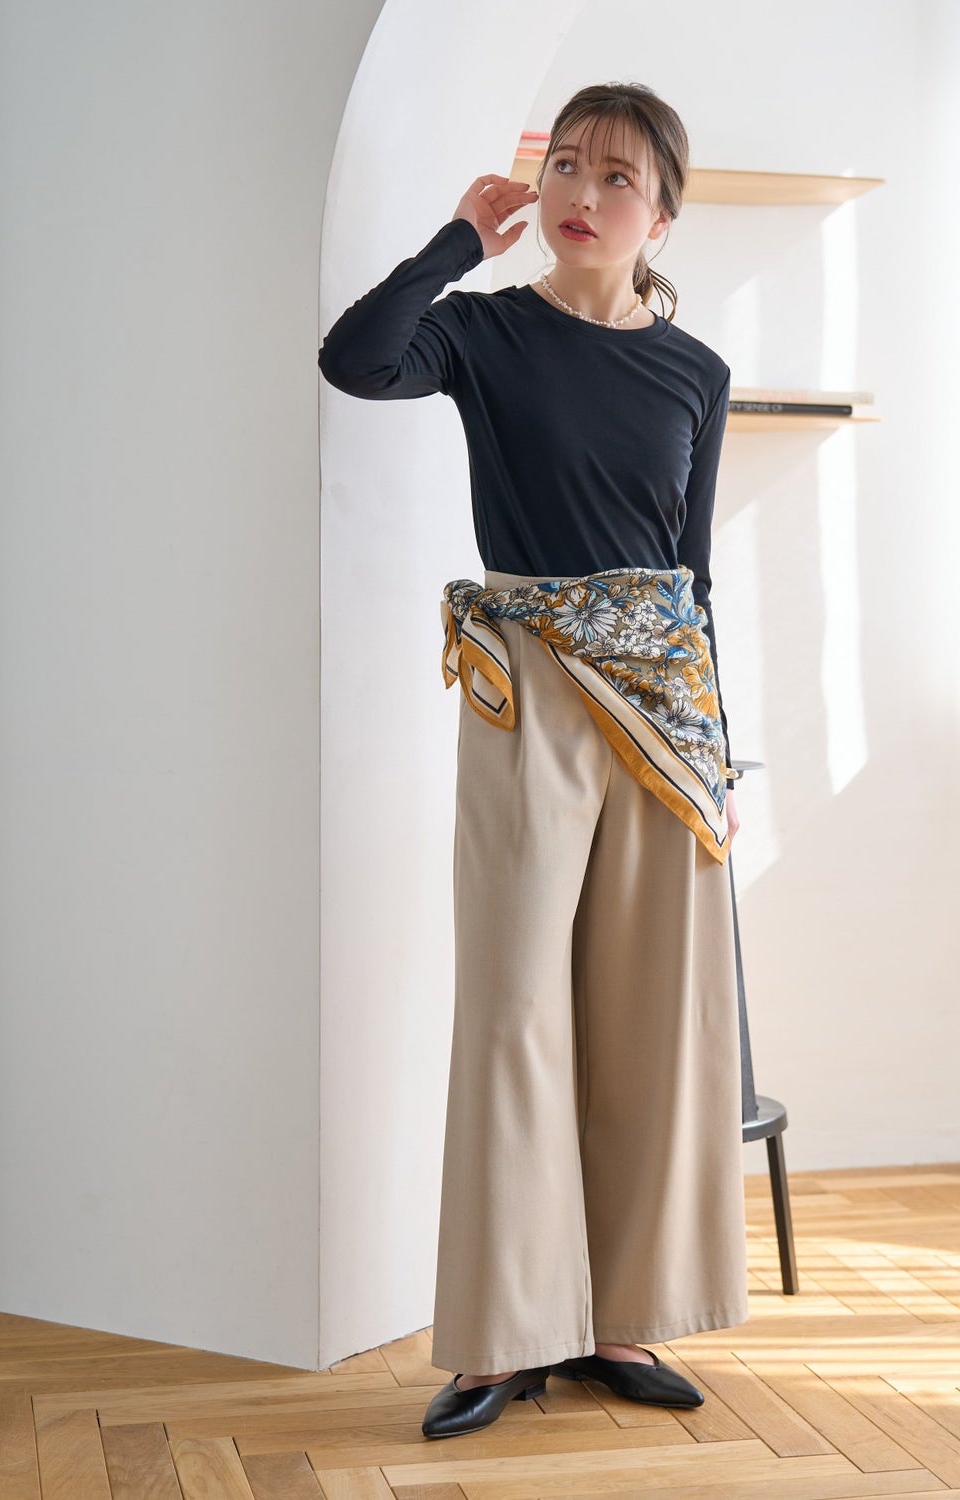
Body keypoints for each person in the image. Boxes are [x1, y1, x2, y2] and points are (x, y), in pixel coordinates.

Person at [318, 80, 749, 1441]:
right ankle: (506, 1334)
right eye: (565, 164)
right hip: (528, 689)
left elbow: (691, 577)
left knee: (648, 1014)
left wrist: (722, 754)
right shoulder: (487, 332)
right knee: (512, 1007)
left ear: (661, 217)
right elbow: (355, 359)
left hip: (665, 713)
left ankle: (620, 1319)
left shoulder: (696, 375)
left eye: (617, 177)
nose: (582, 193)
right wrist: (457, 242)